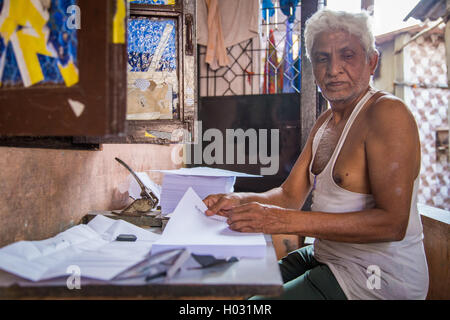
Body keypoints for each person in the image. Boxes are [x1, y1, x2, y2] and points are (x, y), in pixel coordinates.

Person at [203, 9, 429, 300]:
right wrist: (239, 201)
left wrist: (281, 221)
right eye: (322, 58)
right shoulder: (326, 121)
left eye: (347, 55)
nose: (333, 69)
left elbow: (393, 224)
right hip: (327, 255)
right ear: (312, 66)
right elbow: (288, 197)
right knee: (223, 289)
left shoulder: (387, 113)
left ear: (371, 61)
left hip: (375, 278)